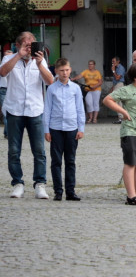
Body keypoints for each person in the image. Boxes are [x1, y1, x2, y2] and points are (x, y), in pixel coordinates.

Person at [2, 31, 55, 199]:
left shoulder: (39, 61)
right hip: (14, 109)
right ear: (17, 45)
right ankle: (17, 183)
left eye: (31, 46)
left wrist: (40, 64)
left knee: (39, 150)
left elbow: (50, 81)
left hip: (35, 110)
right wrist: (19, 55)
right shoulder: (9, 59)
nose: (28, 49)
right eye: (25, 45)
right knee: (13, 150)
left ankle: (40, 184)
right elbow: (3, 72)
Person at [103, 63, 136, 205]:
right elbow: (107, 100)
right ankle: (131, 196)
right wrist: (123, 112)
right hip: (131, 132)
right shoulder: (126, 90)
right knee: (130, 163)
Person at [43, 58, 85, 201]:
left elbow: (80, 108)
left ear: (70, 70)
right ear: (56, 71)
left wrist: (81, 128)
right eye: (61, 70)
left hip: (71, 127)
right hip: (55, 128)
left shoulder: (76, 88)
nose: (64, 73)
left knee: (70, 160)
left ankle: (70, 191)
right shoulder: (52, 88)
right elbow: (47, 109)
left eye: (67, 70)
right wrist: (46, 130)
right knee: (56, 161)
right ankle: (58, 191)